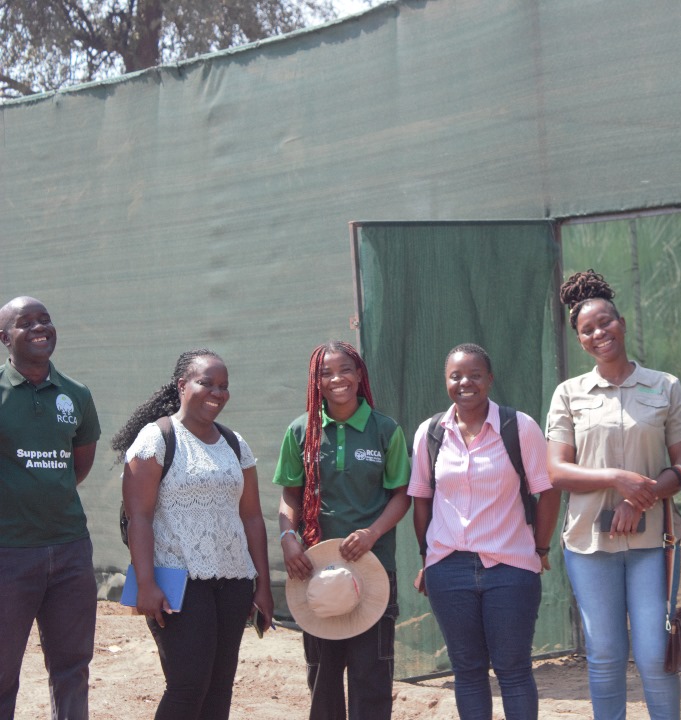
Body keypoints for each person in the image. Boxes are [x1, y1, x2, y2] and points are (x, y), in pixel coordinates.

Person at [546, 270, 681, 720]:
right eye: (587, 329)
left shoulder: (664, 386)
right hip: (590, 545)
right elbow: (556, 470)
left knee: (654, 654)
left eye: (605, 323)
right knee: (606, 655)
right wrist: (615, 478)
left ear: (623, 323)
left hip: (654, 544)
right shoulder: (569, 394)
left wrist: (639, 498)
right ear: (579, 339)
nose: (598, 333)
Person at [114, 349, 273, 720]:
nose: (217, 392)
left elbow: (251, 518)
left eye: (224, 386)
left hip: (233, 582)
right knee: (187, 687)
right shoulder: (156, 439)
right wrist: (147, 583)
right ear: (182, 385)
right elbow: (139, 516)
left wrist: (262, 585)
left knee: (219, 688)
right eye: (207, 383)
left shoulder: (236, 444)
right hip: (177, 582)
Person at [409, 343, 560, 720]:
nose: (465, 382)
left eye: (475, 374)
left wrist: (539, 549)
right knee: (468, 671)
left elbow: (548, 492)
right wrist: (428, 560)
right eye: (456, 375)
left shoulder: (518, 426)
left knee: (513, 670)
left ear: (490, 379)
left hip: (511, 569)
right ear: (446, 381)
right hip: (449, 570)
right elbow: (422, 501)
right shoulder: (429, 434)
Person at [274, 341, 410, 720]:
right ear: (315, 382)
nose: (337, 379)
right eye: (326, 372)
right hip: (315, 572)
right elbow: (290, 495)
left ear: (360, 374)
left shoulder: (386, 430)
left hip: (374, 571)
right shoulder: (300, 431)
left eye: (345, 369)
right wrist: (288, 538)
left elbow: (401, 496)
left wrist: (372, 533)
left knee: (372, 681)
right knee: (324, 683)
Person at [0, 297, 100, 720]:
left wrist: (43, 491)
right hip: (9, 552)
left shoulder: (76, 394)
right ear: (4, 337)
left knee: (72, 669)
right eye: (26, 323)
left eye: (45, 319)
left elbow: (80, 463)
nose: (40, 327)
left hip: (70, 551)